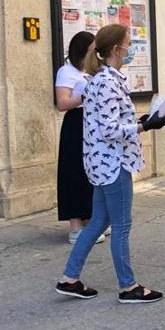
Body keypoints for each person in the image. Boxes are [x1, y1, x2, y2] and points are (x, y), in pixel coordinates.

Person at [55, 24, 165, 304]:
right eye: (128, 44)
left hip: (104, 163)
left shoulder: (107, 78)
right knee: (121, 226)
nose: (130, 49)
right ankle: (128, 287)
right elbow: (110, 130)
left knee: (98, 222)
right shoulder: (106, 81)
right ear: (116, 49)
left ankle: (70, 278)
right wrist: (145, 127)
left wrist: (145, 120)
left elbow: (112, 121)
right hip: (112, 163)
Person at [55, 31, 107, 245]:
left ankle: (90, 220)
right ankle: (75, 226)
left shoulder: (93, 70)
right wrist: (85, 94)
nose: (95, 54)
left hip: (92, 123)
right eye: (92, 50)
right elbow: (62, 103)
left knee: (91, 171)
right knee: (74, 172)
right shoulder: (66, 71)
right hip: (76, 123)